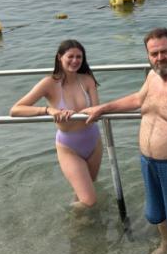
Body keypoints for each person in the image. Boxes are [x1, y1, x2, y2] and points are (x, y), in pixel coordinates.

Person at [82, 28, 167, 254]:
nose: (159, 58)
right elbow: (138, 99)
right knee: (158, 214)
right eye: (153, 53)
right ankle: (166, 243)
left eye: (165, 51)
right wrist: (103, 108)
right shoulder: (153, 77)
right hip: (149, 162)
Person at [10, 40, 102, 212]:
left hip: (94, 141)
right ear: (60, 58)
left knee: (87, 189)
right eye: (71, 56)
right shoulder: (49, 83)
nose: (75, 60)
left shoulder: (87, 80)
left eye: (79, 57)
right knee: (89, 200)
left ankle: (85, 229)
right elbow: (15, 110)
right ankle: (70, 224)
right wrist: (48, 110)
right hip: (69, 147)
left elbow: (95, 113)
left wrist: (83, 112)